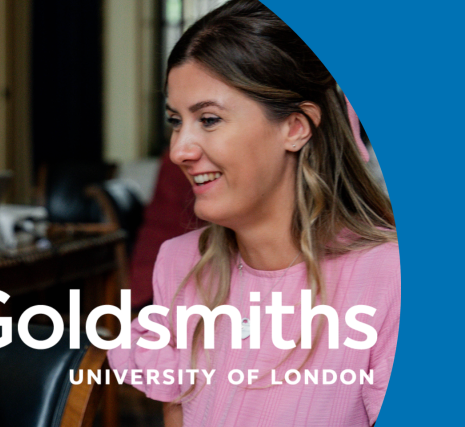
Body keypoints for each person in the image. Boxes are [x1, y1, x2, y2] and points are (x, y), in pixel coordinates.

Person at [105, 1, 400, 426]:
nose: (179, 151)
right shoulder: (181, 265)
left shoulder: (387, 279)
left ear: (295, 127)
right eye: (175, 121)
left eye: (208, 119)